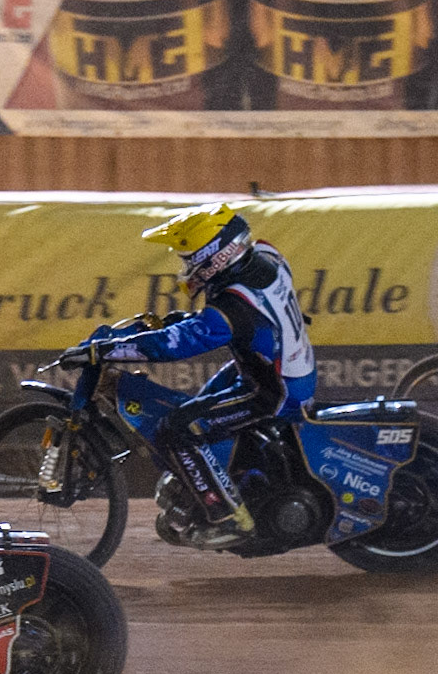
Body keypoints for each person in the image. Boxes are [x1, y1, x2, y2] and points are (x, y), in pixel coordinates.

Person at [60, 203, 316, 549]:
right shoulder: (263, 259)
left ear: (214, 255)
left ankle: (228, 517)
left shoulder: (233, 304)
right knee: (199, 410)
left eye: (188, 258)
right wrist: (177, 320)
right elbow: (218, 324)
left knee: (179, 428)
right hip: (276, 368)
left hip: (276, 391)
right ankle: (219, 479)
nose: (186, 267)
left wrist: (104, 350)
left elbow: (176, 346)